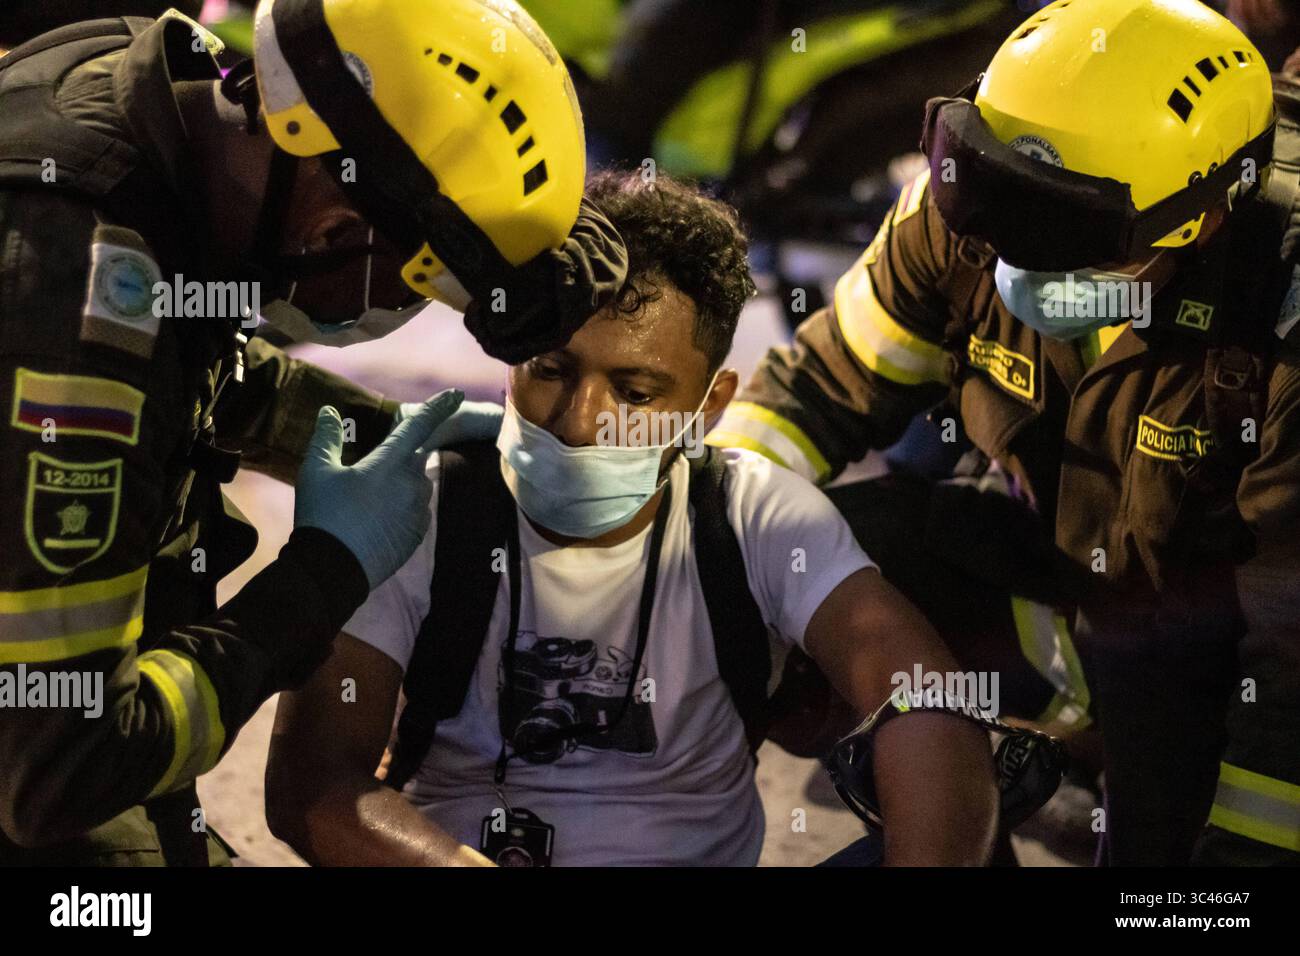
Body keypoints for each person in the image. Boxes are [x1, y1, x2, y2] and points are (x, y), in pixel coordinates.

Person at [0, 0, 626, 865]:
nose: (393, 315)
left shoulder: (141, 99)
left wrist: (396, 438)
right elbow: (64, 767)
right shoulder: (75, 305)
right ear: (336, 228)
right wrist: (324, 571)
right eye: (410, 288)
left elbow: (180, 372)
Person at [264, 171, 999, 867]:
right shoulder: (417, 508)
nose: (583, 422)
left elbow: (925, 698)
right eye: (552, 370)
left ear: (709, 407)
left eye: (637, 392)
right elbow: (311, 783)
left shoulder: (759, 518)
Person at [709, 0, 1300, 865]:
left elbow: (1286, 664)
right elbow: (813, 393)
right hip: (1050, 587)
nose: (1014, 253)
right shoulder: (964, 213)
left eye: (1062, 226)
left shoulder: (1280, 316)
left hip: (1209, 660)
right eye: (1000, 199)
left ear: (1199, 216)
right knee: (814, 544)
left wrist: (1232, 869)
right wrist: (695, 556)